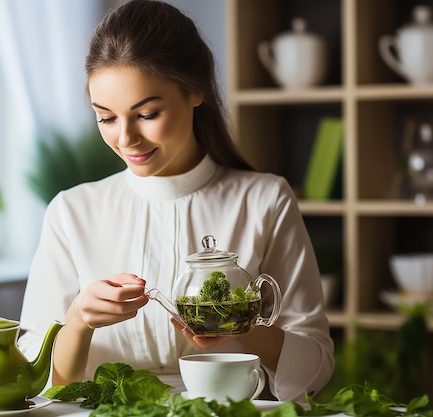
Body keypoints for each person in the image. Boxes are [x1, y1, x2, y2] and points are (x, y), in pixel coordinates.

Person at [18, 0, 333, 401]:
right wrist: (80, 320)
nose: (126, 138)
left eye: (147, 114)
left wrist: (240, 329)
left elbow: (316, 367)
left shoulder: (265, 200)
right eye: (106, 118)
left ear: (195, 91)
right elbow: (33, 376)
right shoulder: (71, 211)